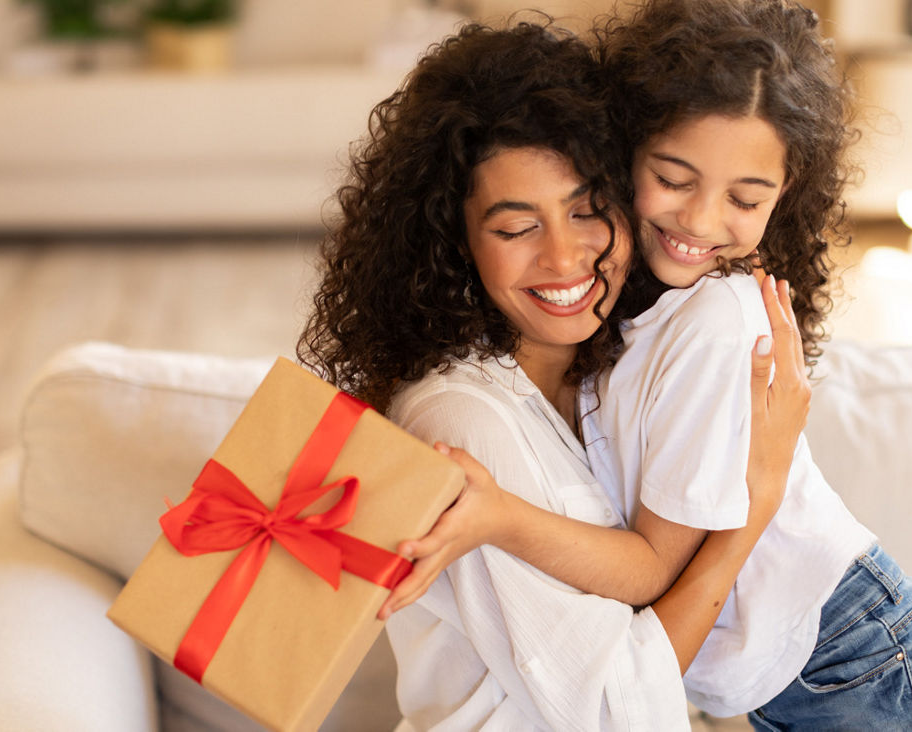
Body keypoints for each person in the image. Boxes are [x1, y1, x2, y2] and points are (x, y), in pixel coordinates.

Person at [382, 1, 912, 730]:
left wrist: (503, 519)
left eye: (744, 198)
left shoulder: (715, 320)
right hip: (811, 676)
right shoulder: (607, 335)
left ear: (786, 195)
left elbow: (649, 567)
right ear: (627, 153)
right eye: (674, 178)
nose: (703, 222)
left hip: (872, 663)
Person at [297, 19, 810, 730]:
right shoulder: (461, 422)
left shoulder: (614, 376)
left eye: (588, 210)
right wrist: (752, 508)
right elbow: (611, 711)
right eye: (516, 228)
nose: (565, 257)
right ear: (455, 239)